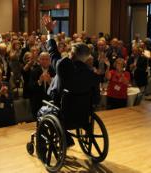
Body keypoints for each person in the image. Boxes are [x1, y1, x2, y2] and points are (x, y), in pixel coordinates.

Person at [43, 15, 100, 147]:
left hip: (64, 112)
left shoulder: (64, 66)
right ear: (86, 58)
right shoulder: (92, 75)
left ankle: (57, 139)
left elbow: (52, 53)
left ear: (72, 54)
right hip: (83, 115)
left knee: (42, 111)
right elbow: (96, 99)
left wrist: (49, 32)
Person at [28, 52, 55, 118]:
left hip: (50, 103)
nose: (45, 61)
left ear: (50, 61)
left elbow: (57, 89)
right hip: (38, 103)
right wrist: (39, 81)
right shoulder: (34, 71)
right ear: (39, 60)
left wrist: (50, 82)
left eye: (47, 59)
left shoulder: (54, 71)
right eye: (42, 59)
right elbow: (30, 88)